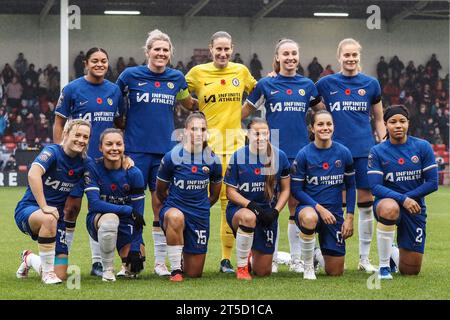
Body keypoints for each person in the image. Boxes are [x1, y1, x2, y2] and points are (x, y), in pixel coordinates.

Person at [117, 29, 195, 276]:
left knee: (161, 205)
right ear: (147, 52)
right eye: (156, 49)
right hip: (135, 151)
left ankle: (161, 263)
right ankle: (130, 262)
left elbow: (188, 102)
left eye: (165, 50)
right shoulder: (129, 76)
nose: (161, 53)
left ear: (170, 53)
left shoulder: (177, 78)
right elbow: (115, 105)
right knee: (132, 206)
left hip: (166, 153)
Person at [242, 38, 324, 273]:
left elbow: (321, 111)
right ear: (277, 58)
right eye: (285, 54)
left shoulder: (308, 85)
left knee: (295, 205)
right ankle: (274, 257)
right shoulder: (266, 84)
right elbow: (243, 112)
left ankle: (298, 259)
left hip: (300, 154)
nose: (290, 58)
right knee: (271, 204)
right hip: (272, 154)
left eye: (294, 54)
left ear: (298, 57)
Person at [185, 31, 257, 273]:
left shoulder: (241, 71)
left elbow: (260, 90)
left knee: (230, 201)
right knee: (197, 200)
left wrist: (242, 113)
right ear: (211, 48)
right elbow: (178, 90)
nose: (223, 53)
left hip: (235, 147)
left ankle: (227, 259)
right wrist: (194, 109)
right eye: (219, 49)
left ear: (232, 48)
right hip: (204, 148)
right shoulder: (197, 73)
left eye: (227, 49)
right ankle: (187, 255)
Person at [53, 47, 125, 277]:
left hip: (103, 164)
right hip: (76, 162)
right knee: (70, 209)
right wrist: (59, 154)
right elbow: (59, 122)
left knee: (99, 209)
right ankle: (64, 259)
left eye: (104, 61)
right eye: (95, 61)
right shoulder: (72, 89)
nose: (100, 64)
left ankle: (97, 263)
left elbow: (120, 124)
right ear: (86, 63)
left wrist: (122, 154)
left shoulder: (114, 90)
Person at [316, 38, 385, 272]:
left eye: (354, 55)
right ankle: (326, 253)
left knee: (366, 204)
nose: (351, 59)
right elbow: (306, 96)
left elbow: (378, 119)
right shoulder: (326, 83)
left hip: (364, 152)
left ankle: (364, 259)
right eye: (346, 55)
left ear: (359, 56)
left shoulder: (371, 84)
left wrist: (383, 145)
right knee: (333, 203)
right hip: (333, 154)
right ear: (339, 57)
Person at [15, 119, 91, 284]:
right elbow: (33, 174)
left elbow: (103, 171)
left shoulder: (85, 162)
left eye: (85, 137)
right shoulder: (52, 152)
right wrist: (44, 206)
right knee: (49, 218)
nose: (81, 139)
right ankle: (47, 275)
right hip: (30, 210)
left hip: (57, 219)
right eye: (77, 134)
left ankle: (30, 259)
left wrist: (125, 161)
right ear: (66, 134)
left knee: (62, 275)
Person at [367, 105, 438, 279]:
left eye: (402, 121)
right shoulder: (377, 151)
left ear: (408, 123)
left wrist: (407, 199)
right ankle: (383, 267)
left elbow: (432, 183)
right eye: (393, 122)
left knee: (411, 271)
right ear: (385, 125)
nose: (398, 125)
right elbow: (375, 187)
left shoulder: (422, 147)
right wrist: (402, 200)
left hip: (414, 208)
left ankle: (391, 250)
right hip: (387, 204)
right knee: (390, 208)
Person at [156, 112, 222, 282]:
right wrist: (174, 206)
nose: (198, 133)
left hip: (199, 215)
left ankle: (184, 253)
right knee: (176, 218)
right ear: (185, 131)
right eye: (194, 129)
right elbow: (160, 191)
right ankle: (176, 269)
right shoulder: (172, 156)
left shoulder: (213, 160)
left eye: (202, 129)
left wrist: (201, 206)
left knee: (194, 273)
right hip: (175, 208)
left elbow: (214, 194)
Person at [290, 110, 356, 280]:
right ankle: (308, 267)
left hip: (334, 215)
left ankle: (317, 254)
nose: (325, 128)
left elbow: (350, 187)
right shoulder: (304, 154)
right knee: (310, 217)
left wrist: (349, 217)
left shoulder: (344, 153)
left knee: (335, 272)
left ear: (333, 126)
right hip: (309, 209)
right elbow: (296, 190)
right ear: (312, 128)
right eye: (320, 124)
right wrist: (320, 209)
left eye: (329, 124)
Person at [224, 118, 290, 280]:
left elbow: (286, 190)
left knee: (263, 272)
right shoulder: (238, 156)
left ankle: (250, 254)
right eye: (256, 134)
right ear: (248, 134)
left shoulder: (279, 156)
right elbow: (230, 192)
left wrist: (275, 212)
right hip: (241, 211)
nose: (261, 137)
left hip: (267, 215)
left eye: (265, 134)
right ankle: (241, 268)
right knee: (249, 217)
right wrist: (251, 205)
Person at [84, 128, 146, 282]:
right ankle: (107, 271)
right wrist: (126, 209)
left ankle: (125, 266)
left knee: (134, 267)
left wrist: (135, 246)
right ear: (100, 147)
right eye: (109, 144)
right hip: (99, 220)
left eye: (119, 144)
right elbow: (94, 204)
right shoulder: (93, 168)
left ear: (124, 146)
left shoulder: (134, 173)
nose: (114, 148)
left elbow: (138, 217)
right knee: (111, 220)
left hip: (126, 222)